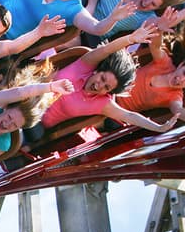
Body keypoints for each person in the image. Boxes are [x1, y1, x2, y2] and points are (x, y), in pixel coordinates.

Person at [28, 22, 173, 142]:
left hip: (35, 121)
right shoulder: (86, 64)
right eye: (102, 79)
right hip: (28, 94)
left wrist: (158, 127)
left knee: (32, 132)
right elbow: (106, 50)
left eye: (106, 87)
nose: (99, 85)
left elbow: (129, 116)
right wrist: (131, 39)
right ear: (98, 71)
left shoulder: (102, 103)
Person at [115, 31, 185, 125]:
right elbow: (155, 47)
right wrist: (161, 29)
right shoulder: (165, 63)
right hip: (114, 81)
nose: (181, 79)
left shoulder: (174, 96)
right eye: (184, 73)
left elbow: (178, 110)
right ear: (181, 65)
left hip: (117, 108)